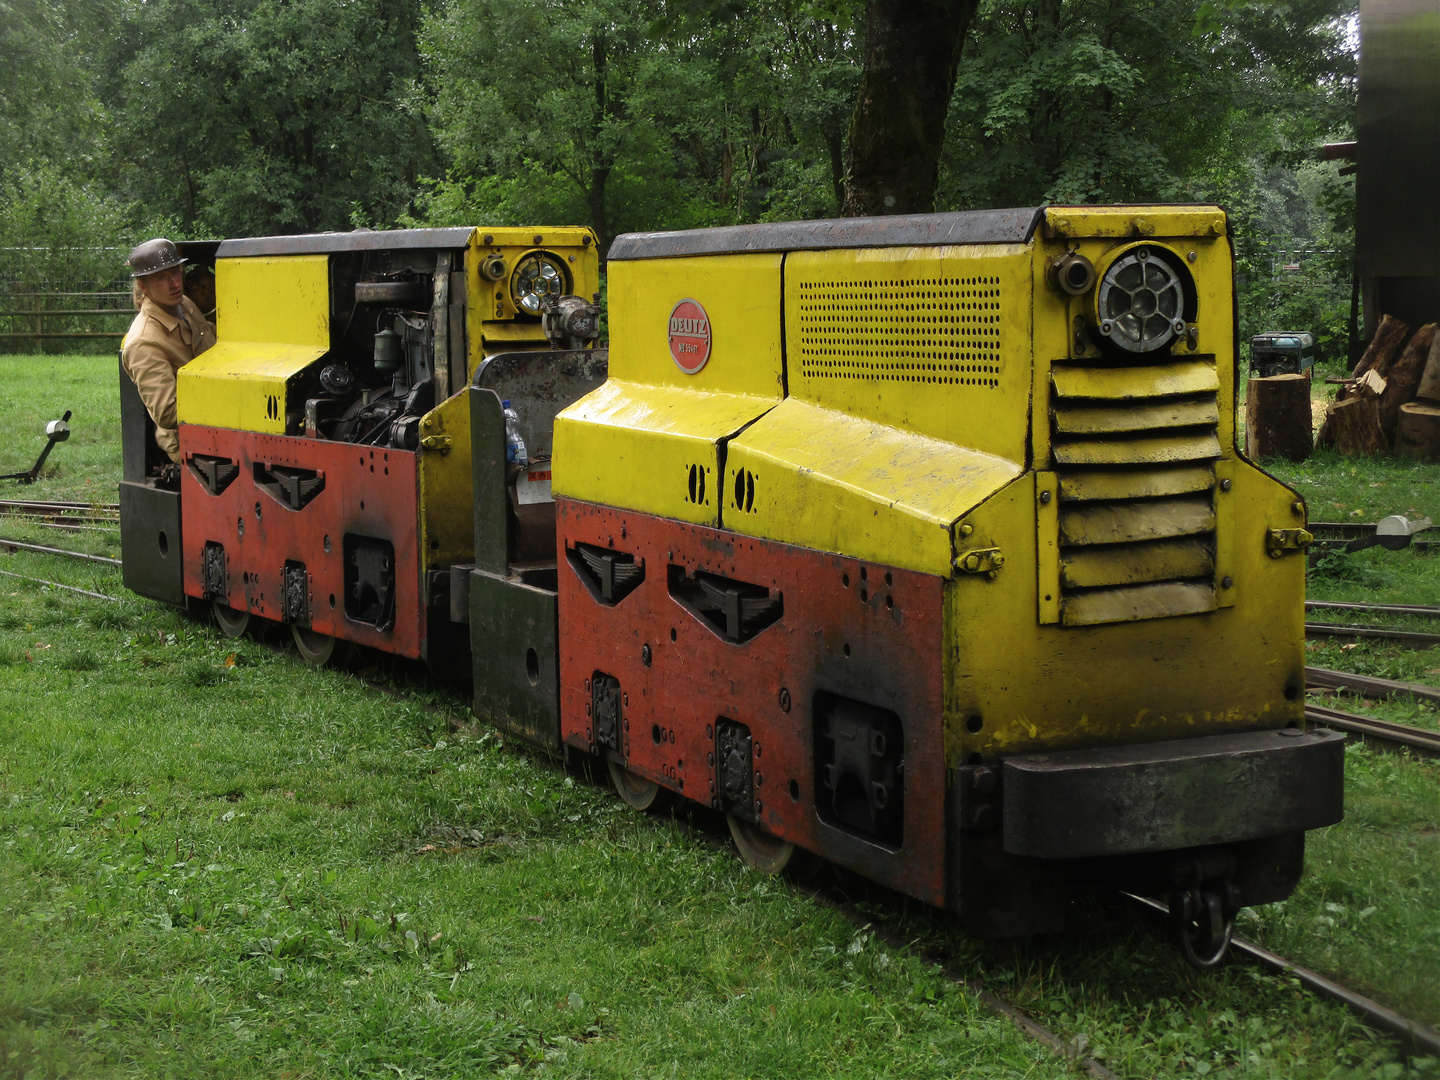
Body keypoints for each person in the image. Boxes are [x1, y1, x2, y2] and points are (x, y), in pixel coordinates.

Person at [120, 238, 217, 464]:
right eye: (161, 278)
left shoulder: (184, 305)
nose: (174, 283)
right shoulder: (143, 341)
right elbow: (168, 413)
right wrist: (226, 393)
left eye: (176, 272)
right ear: (144, 286)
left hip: (217, 424)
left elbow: (212, 338)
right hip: (189, 443)